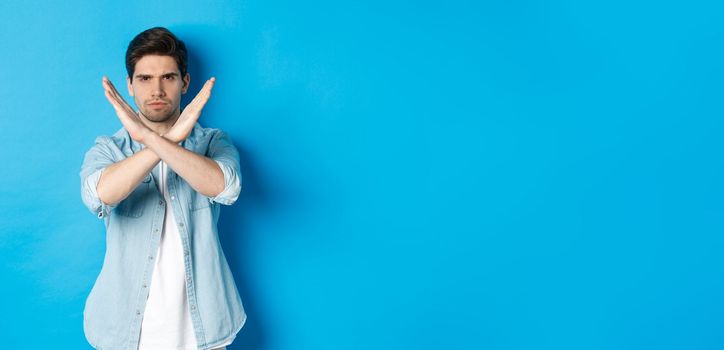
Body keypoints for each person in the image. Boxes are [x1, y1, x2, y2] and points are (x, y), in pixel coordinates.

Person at [79, 27, 246, 350]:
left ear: (184, 82)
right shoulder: (108, 149)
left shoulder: (213, 142)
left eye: (168, 77)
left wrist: (151, 138)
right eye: (144, 79)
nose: (156, 89)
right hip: (123, 329)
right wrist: (161, 141)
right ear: (129, 85)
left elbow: (227, 186)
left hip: (204, 330)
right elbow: (98, 195)